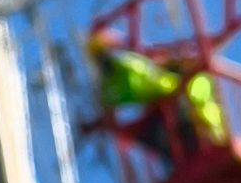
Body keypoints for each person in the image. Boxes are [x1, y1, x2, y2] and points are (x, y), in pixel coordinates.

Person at [92, 42, 228, 153]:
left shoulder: (127, 65)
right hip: (170, 107)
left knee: (163, 130)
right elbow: (109, 103)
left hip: (192, 118)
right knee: (156, 133)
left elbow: (187, 93)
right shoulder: (113, 81)